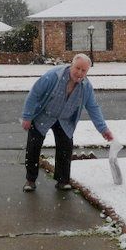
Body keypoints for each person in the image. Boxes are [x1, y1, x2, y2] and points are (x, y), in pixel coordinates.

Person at [21, 53, 113, 192]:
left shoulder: (86, 87)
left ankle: (63, 181)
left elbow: (93, 107)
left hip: (65, 120)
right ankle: (30, 180)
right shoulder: (53, 76)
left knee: (66, 147)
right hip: (44, 116)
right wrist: (27, 117)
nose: (80, 73)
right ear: (71, 65)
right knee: (33, 146)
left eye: (84, 70)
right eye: (77, 68)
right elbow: (34, 94)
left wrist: (103, 129)